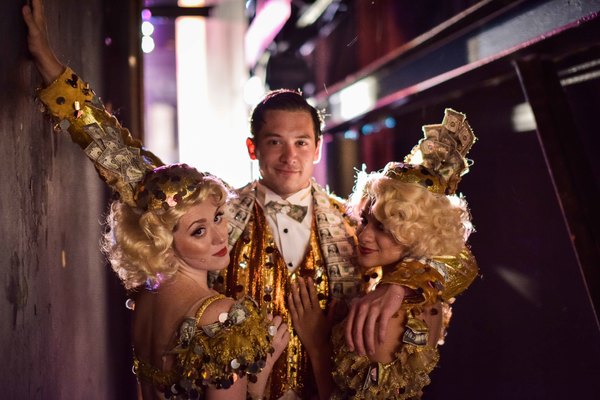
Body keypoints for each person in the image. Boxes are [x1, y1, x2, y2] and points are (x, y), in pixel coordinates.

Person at [23, 0, 478, 396]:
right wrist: (51, 69)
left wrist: (400, 286)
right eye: (274, 142)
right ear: (253, 148)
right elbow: (123, 161)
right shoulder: (216, 215)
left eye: (301, 142)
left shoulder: (354, 224)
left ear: (318, 148)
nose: (289, 156)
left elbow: (451, 255)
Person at [23, 2, 290, 399]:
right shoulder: (218, 316)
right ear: (164, 240)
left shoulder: (148, 297)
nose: (221, 236)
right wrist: (262, 376)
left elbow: (107, 142)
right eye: (199, 230)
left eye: (218, 216)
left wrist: (47, 58)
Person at [288, 109, 477, 399]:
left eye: (385, 229)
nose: (363, 235)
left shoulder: (386, 316)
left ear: (416, 237)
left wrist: (316, 345)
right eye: (366, 220)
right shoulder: (421, 294)